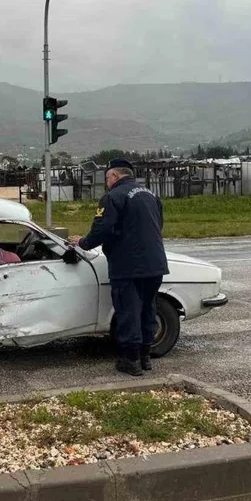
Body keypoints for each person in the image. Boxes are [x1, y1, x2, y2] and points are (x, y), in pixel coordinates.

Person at [70, 158, 169, 376]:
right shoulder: (151, 195)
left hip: (127, 265)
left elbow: (102, 229)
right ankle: (145, 357)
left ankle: (130, 360)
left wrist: (83, 242)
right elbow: (158, 225)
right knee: (147, 309)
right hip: (155, 264)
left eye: (107, 178)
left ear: (113, 176)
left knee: (128, 311)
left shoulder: (113, 197)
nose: (107, 183)